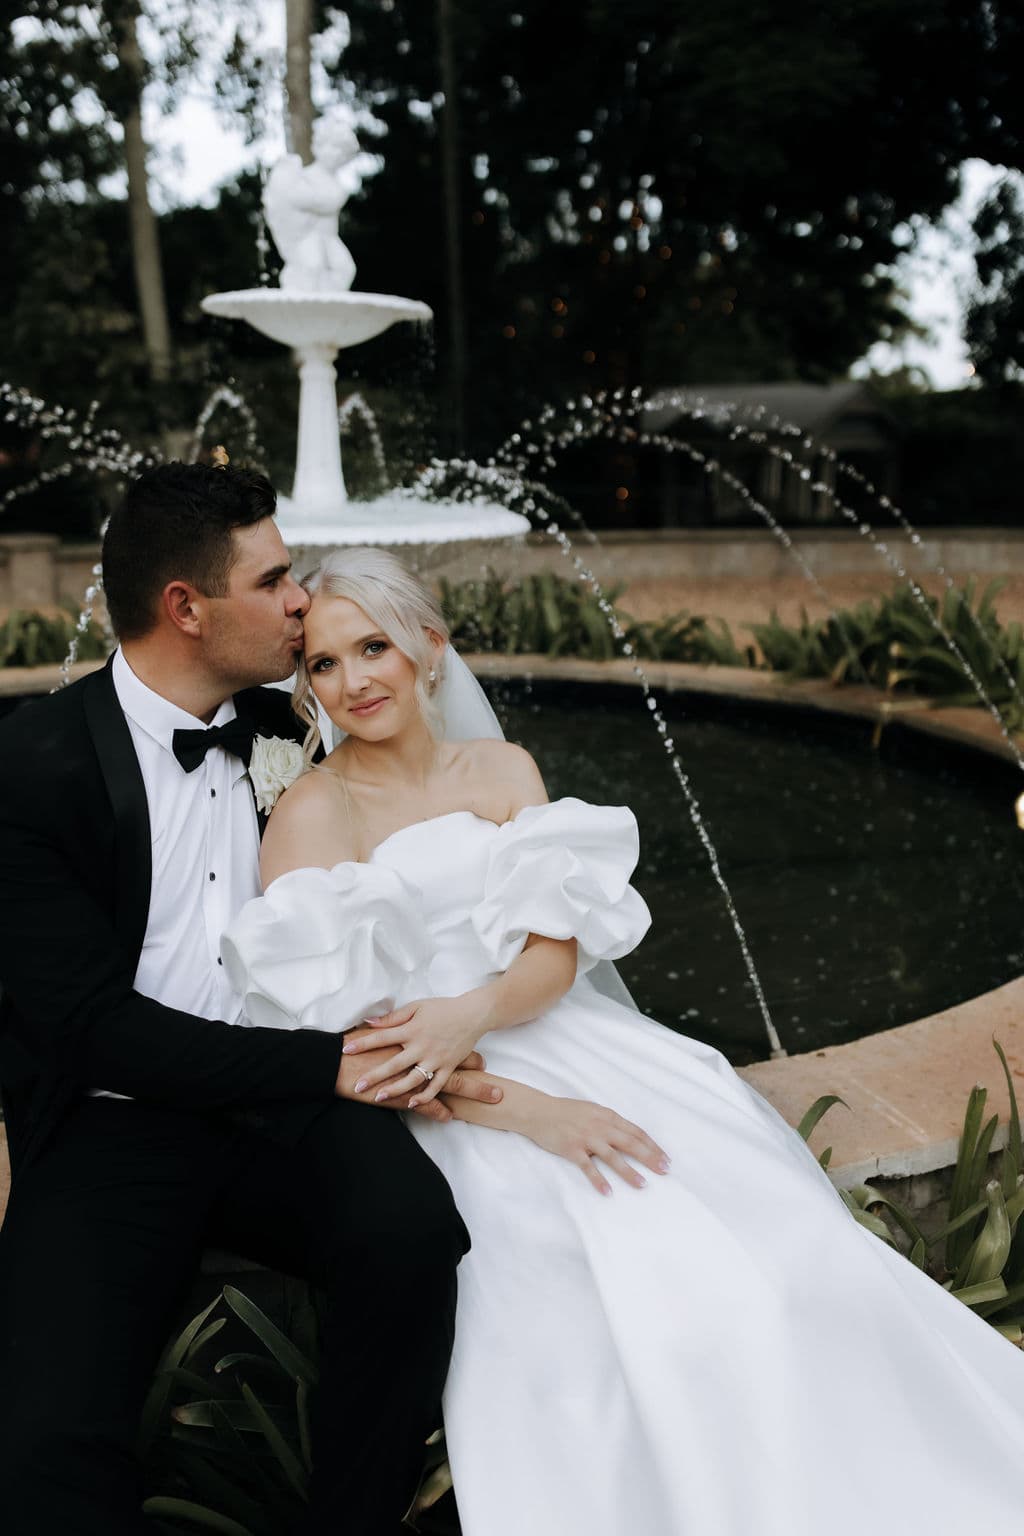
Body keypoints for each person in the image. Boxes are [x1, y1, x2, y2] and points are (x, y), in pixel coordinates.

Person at [224, 546, 1024, 1536]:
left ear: (429, 647)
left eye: (373, 647)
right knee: (630, 1304)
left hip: (555, 1035)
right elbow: (349, 1046)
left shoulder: (501, 768)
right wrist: (530, 1111)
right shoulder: (315, 809)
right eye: (325, 665)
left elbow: (552, 958)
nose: (354, 683)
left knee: (795, 1251)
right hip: (452, 1100)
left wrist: (474, 1010)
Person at [0, 464, 504, 1536]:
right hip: (117, 1124)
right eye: (273, 579)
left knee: (412, 1237)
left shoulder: (303, 719)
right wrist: (330, 1066)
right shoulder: (30, 766)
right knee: (39, 1438)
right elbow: (90, 1030)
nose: (298, 600)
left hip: (288, 1112)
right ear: (186, 608)